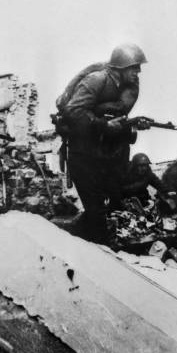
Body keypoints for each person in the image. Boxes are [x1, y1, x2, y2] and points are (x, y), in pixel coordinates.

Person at [61, 43, 150, 243]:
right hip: (82, 155)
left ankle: (79, 237)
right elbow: (72, 111)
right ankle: (96, 251)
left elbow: (114, 120)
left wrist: (130, 125)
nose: (138, 72)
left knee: (106, 207)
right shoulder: (97, 80)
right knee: (96, 211)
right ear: (122, 66)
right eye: (134, 68)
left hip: (102, 157)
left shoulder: (124, 89)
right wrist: (103, 125)